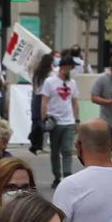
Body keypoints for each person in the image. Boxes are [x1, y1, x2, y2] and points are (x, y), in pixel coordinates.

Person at [39, 57, 82, 185]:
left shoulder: (72, 83)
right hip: (54, 121)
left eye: (72, 68)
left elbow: (74, 102)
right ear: (63, 67)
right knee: (55, 151)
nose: (71, 70)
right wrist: (44, 118)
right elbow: (44, 100)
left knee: (67, 150)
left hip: (68, 121)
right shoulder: (50, 82)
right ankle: (57, 176)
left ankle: (67, 175)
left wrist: (76, 120)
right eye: (69, 67)